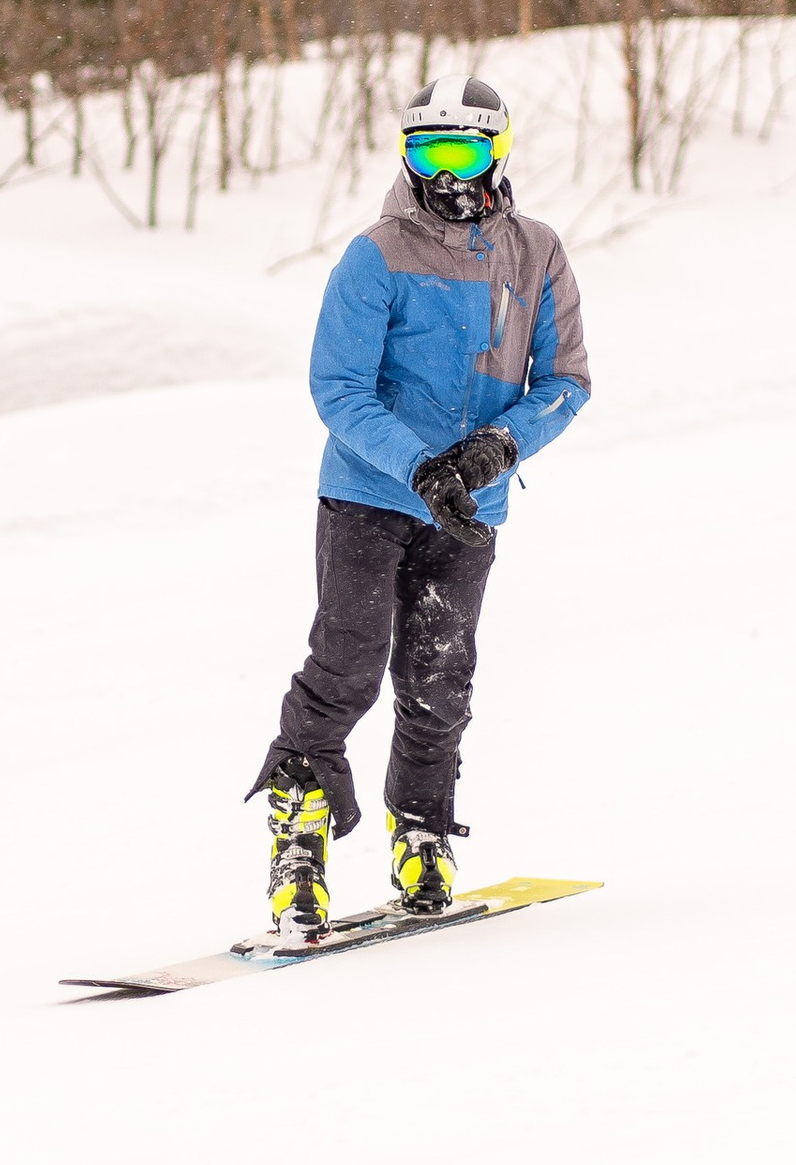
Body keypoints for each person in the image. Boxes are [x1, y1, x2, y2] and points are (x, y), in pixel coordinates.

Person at [249, 75, 592, 940]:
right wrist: (421, 466)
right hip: (370, 492)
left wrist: (497, 448)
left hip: (471, 506)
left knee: (440, 677)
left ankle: (424, 833)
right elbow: (338, 388)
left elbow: (565, 382)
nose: (444, 171)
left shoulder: (537, 253)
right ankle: (300, 837)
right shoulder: (376, 255)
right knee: (347, 665)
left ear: (497, 151)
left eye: (462, 150)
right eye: (426, 152)